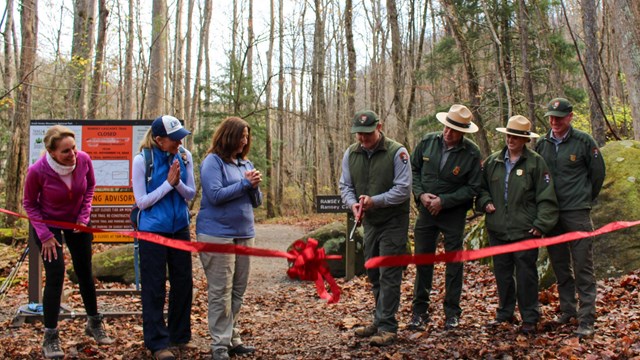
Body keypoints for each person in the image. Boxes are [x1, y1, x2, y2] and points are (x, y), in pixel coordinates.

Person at [23, 125, 114, 359]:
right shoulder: (37, 171)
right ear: (52, 152)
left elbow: (90, 187)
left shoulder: (83, 159)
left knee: (85, 272)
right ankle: (50, 336)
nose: (72, 154)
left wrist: (84, 217)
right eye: (66, 151)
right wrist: (44, 235)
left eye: (73, 148)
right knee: (56, 276)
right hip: (48, 225)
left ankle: (94, 323)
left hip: (77, 222)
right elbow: (29, 204)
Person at [477, 115, 559, 335]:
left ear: (525, 139)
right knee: (502, 275)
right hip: (498, 229)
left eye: (516, 136)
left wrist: (541, 224)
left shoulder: (535, 163)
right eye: (509, 135)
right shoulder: (493, 161)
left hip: (525, 230)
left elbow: (546, 196)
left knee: (526, 276)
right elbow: (480, 189)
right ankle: (504, 313)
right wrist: (485, 202)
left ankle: (530, 318)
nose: (511, 139)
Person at [339, 110, 411, 347]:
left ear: (379, 127)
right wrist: (353, 206)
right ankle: (379, 320)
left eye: (367, 134)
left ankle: (388, 326)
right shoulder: (351, 153)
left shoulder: (397, 152)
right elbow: (345, 186)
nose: (363, 139)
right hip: (370, 222)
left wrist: (374, 201)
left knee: (388, 272)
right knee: (372, 271)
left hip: (393, 221)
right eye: (359, 134)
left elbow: (403, 189)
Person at [535, 98, 606, 337]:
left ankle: (587, 319)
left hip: (577, 213)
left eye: (559, 117)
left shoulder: (584, 141)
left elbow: (597, 175)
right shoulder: (542, 144)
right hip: (552, 215)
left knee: (583, 266)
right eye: (551, 117)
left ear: (570, 117)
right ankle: (568, 310)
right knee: (560, 266)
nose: (554, 121)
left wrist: (584, 199)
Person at [408, 104, 482, 331]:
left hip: (453, 214)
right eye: (446, 127)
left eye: (454, 130)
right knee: (422, 260)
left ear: (463, 132)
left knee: (453, 263)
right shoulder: (428, 142)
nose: (448, 133)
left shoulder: (471, 153)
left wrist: (445, 201)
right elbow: (413, 170)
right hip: (426, 212)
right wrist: (421, 195)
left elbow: (473, 187)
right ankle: (419, 312)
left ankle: (452, 312)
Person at [197, 117, 262, 360]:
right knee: (220, 291)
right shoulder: (212, 162)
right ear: (228, 136)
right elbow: (214, 195)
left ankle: (232, 337)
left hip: (245, 234)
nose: (245, 141)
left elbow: (257, 201)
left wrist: (254, 187)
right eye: (241, 136)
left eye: (247, 136)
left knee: (238, 290)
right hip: (216, 235)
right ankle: (219, 346)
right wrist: (245, 185)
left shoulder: (245, 163)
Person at [132, 115, 196, 360]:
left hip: (179, 228)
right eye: (174, 138)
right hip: (152, 231)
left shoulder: (185, 156)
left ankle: (179, 335)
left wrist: (177, 183)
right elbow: (142, 201)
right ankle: (158, 343)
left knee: (183, 284)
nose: (180, 142)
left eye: (181, 137)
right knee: (155, 288)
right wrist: (169, 184)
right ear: (159, 140)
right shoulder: (142, 161)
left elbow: (189, 193)